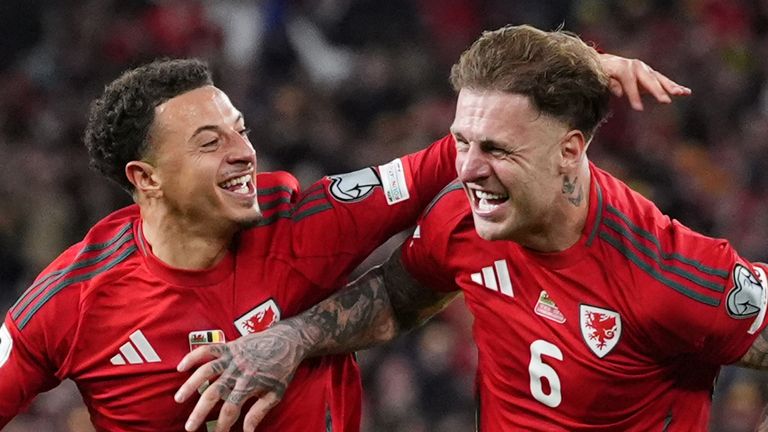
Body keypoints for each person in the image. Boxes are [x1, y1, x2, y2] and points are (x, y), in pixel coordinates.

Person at [0, 54, 684, 431]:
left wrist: (567, 76)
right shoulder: (71, 302)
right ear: (145, 179)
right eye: (212, 143)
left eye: (240, 127)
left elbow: (447, 158)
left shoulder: (300, 222)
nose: (244, 152)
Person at [175, 24, 763, 432]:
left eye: (498, 150)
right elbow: (395, 294)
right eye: (462, 142)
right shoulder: (463, 219)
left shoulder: (669, 274)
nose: (469, 169)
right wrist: (293, 339)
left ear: (569, 151)